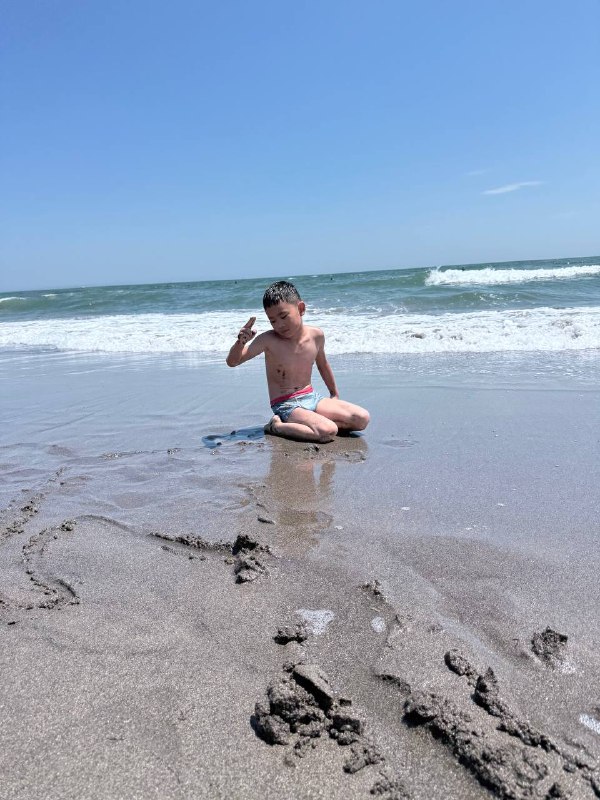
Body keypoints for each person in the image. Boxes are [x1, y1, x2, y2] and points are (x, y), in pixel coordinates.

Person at [226, 281, 370, 443]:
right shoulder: (268, 340)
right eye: (273, 321)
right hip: (286, 404)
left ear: (301, 309)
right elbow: (233, 362)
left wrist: (334, 394)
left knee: (362, 419)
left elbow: (323, 365)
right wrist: (241, 343)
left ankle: (311, 422)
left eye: (283, 316)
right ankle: (276, 426)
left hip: (312, 397)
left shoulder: (316, 336)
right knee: (328, 431)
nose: (279, 325)